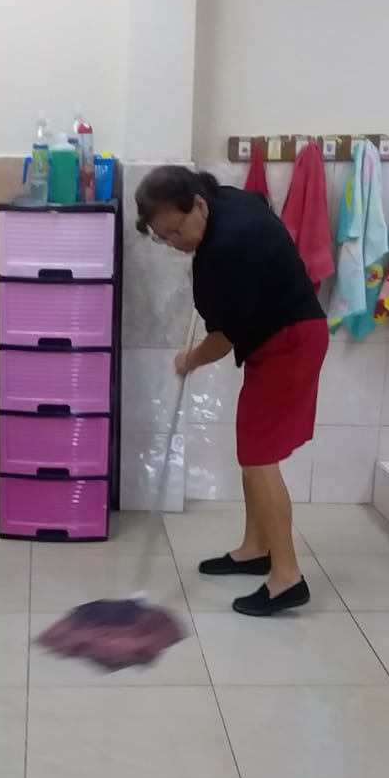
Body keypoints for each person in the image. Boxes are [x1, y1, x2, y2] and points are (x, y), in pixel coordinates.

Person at [134, 165, 328, 617]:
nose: (173, 242)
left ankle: (286, 578)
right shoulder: (226, 201)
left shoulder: (225, 249)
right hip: (280, 338)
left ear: (199, 206)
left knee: (260, 458)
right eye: (163, 237)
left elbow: (224, 338)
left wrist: (190, 359)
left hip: (290, 342)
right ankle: (256, 548)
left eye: (176, 230)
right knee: (252, 452)